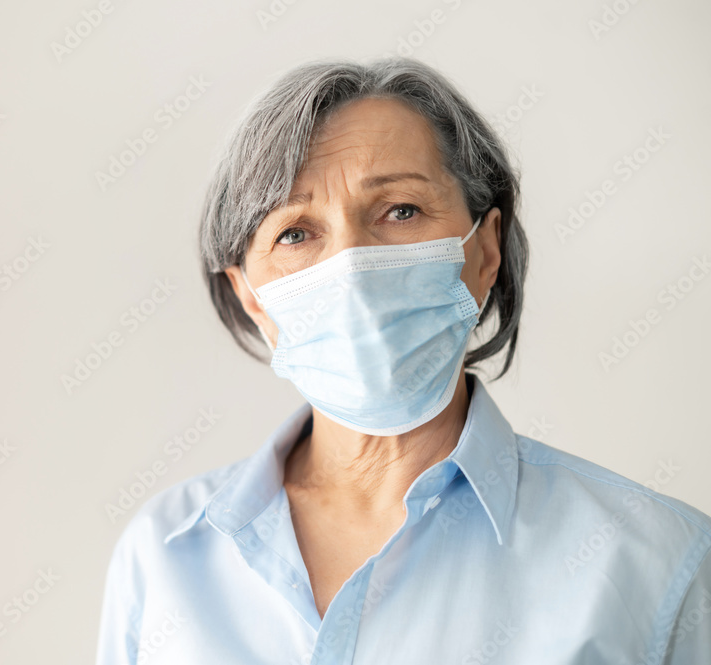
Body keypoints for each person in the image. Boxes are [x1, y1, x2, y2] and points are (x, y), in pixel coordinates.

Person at [95, 56, 711, 664]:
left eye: (401, 211)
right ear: (251, 296)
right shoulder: (163, 556)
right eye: (295, 232)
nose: (353, 271)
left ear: (485, 251)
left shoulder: (656, 564)